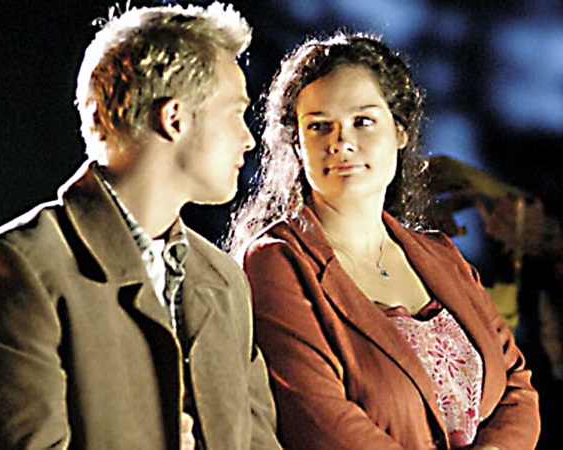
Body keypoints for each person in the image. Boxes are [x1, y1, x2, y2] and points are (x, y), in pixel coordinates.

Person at [0, 3, 281, 449]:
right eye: (235, 112)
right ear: (174, 118)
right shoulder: (19, 268)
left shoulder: (224, 281)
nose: (248, 139)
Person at [226, 31, 540, 449]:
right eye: (319, 126)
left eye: (362, 121)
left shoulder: (441, 255)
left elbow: (517, 386)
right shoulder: (277, 263)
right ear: (297, 145)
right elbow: (320, 423)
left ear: (400, 131)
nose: (342, 142)